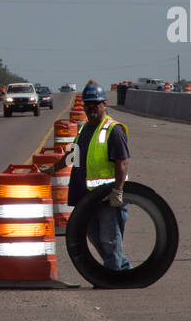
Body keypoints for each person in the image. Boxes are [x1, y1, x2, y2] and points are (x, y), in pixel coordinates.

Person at [49, 81, 131, 269]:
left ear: (104, 104)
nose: (90, 108)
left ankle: (113, 274)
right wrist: (54, 169)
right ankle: (123, 269)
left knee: (110, 239)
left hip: (109, 197)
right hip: (89, 196)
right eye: (87, 104)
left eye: (95, 104)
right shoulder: (85, 128)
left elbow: (122, 162)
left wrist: (117, 191)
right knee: (95, 236)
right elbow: (73, 154)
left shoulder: (113, 130)